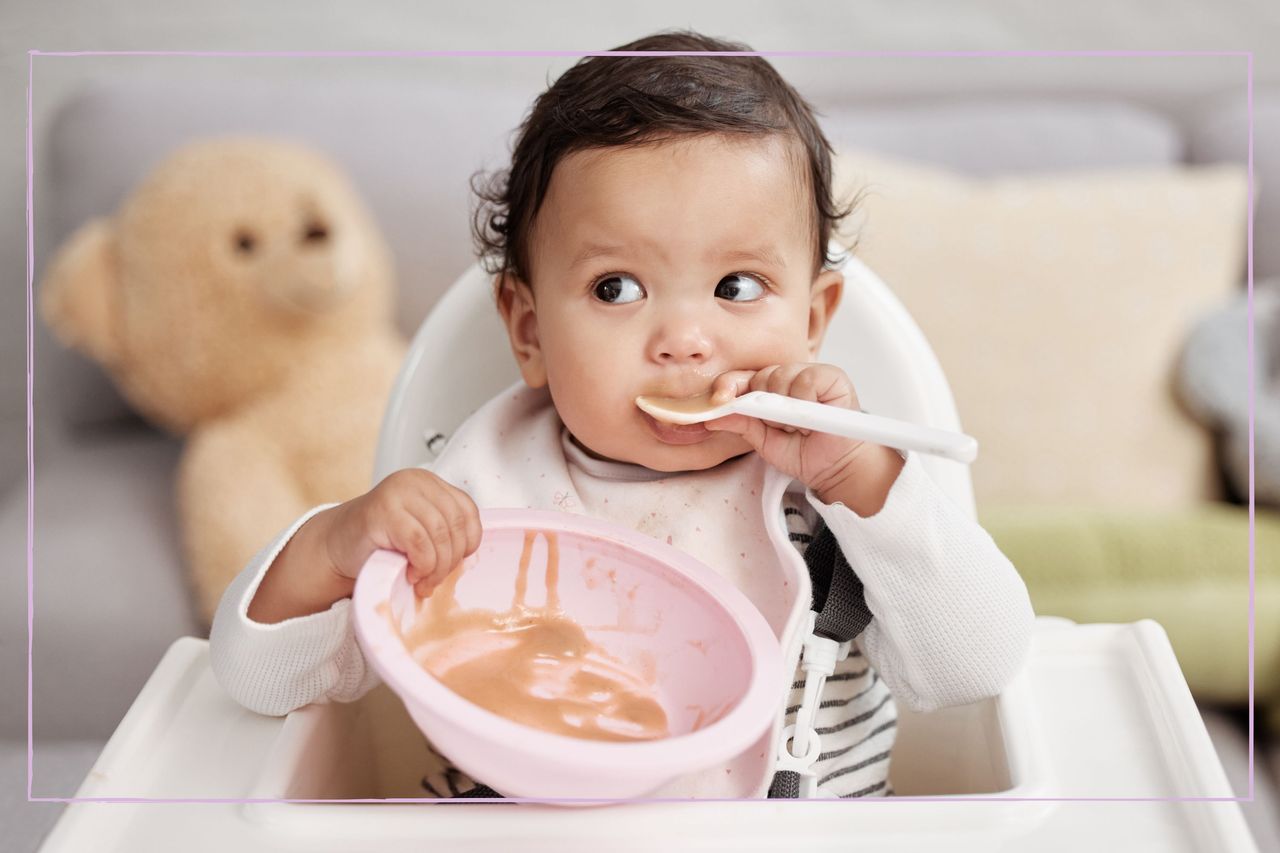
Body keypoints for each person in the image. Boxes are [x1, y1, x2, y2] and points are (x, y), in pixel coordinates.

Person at [210, 30, 1034, 799]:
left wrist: (865, 481)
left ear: (814, 319)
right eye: (617, 289)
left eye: (736, 288)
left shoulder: (838, 487)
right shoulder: (479, 488)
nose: (683, 339)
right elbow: (260, 679)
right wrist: (332, 545)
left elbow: (976, 668)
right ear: (530, 331)